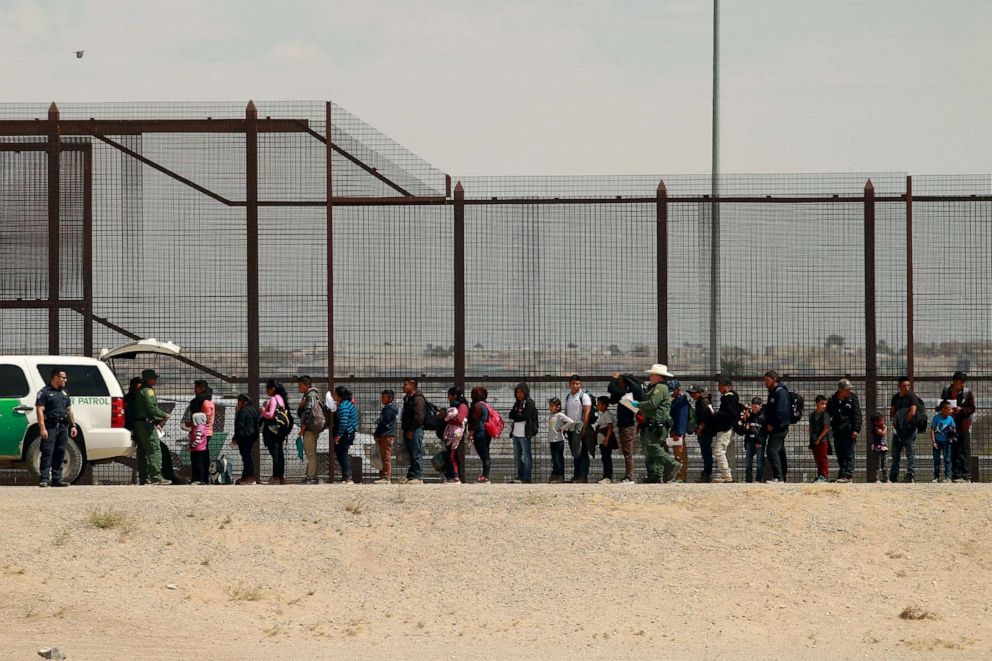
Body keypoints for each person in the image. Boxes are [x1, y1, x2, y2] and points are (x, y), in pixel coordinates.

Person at [634, 364, 682, 483]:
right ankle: (655, 474)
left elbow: (652, 404)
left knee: (651, 445)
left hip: (657, 423)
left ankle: (672, 464)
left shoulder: (660, 388)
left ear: (659, 376)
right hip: (654, 422)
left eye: (652, 374)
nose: (650, 377)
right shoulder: (657, 387)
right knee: (653, 448)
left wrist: (638, 405)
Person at [34, 368, 78, 487]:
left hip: (63, 426)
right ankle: (44, 479)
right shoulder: (45, 392)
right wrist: (42, 428)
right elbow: (39, 410)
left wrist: (73, 425)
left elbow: (69, 410)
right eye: (63, 377)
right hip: (50, 426)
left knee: (60, 451)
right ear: (55, 377)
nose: (66, 380)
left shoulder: (64, 393)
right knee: (47, 451)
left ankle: (57, 479)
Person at [132, 369, 171, 485]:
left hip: (139, 424)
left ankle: (144, 478)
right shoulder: (148, 391)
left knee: (142, 450)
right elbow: (152, 408)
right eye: (154, 378)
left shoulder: (140, 390)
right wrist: (165, 415)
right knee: (154, 449)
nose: (155, 380)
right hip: (146, 424)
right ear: (149, 379)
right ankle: (156, 477)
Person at [608, 372, 645, 484]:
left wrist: (614, 379)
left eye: (620, 382)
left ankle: (630, 476)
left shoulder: (628, 394)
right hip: (624, 426)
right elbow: (612, 398)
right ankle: (629, 475)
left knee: (628, 453)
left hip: (628, 426)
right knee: (626, 452)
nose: (618, 384)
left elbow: (611, 389)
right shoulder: (623, 394)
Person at [942, 371, 976, 483]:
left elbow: (972, 408)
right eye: (960, 382)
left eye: (963, 382)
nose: (962, 384)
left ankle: (966, 474)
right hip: (950, 425)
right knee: (953, 449)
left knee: (965, 449)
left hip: (963, 426)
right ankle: (955, 474)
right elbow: (941, 405)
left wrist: (962, 410)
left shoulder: (967, 393)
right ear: (955, 382)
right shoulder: (946, 391)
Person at [826, 378, 862, 483]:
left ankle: (848, 475)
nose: (849, 391)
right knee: (840, 453)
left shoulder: (853, 399)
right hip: (837, 431)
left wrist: (856, 429)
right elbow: (828, 414)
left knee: (849, 453)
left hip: (849, 430)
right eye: (847, 389)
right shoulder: (833, 400)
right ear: (841, 390)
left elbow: (857, 415)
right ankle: (842, 473)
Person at [889, 376, 923, 484]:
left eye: (908, 385)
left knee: (910, 453)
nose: (907, 387)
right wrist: (896, 423)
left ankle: (910, 474)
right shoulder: (895, 398)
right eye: (904, 385)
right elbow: (892, 411)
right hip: (898, 429)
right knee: (895, 453)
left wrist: (904, 424)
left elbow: (913, 412)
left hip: (909, 429)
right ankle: (893, 475)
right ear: (899, 386)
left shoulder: (912, 397)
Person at [711, 377, 742, 483]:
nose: (719, 387)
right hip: (730, 428)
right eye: (719, 385)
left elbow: (731, 413)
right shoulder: (732, 398)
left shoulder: (728, 398)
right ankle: (730, 474)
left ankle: (726, 474)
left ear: (728, 386)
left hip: (725, 428)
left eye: (722, 385)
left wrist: (716, 415)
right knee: (729, 453)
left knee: (719, 451)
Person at [763, 371, 791, 483]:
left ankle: (778, 477)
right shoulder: (773, 392)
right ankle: (782, 477)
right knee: (780, 452)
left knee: (771, 451)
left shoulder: (780, 393)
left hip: (779, 428)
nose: (765, 383)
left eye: (767, 380)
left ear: (774, 380)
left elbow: (781, 411)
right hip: (777, 427)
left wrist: (772, 424)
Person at [295, 376, 324, 484]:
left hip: (309, 429)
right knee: (311, 453)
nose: (299, 388)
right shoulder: (312, 395)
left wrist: (302, 428)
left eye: (300, 385)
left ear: (306, 385)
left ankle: (311, 477)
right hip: (312, 428)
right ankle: (311, 476)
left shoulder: (310, 396)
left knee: (310, 454)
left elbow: (307, 413)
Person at [564, 375, 593, 484]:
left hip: (580, 428)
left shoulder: (584, 396)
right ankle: (576, 476)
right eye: (573, 383)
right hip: (571, 428)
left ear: (580, 384)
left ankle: (583, 476)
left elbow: (587, 412)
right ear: (569, 385)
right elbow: (567, 412)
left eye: (577, 383)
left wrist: (584, 428)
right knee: (575, 452)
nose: (575, 386)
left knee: (583, 453)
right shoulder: (568, 396)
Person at [508, 382, 538, 483]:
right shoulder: (517, 403)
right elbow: (511, 414)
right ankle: (520, 476)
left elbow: (524, 416)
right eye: (517, 392)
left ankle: (526, 478)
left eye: (521, 392)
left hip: (525, 434)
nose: (519, 394)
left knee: (527, 456)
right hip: (516, 434)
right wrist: (518, 415)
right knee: (517, 457)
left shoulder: (530, 403)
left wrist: (517, 415)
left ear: (525, 392)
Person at [400, 378, 427, 485]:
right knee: (411, 453)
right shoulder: (408, 398)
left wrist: (411, 430)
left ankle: (418, 475)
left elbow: (419, 417)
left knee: (416, 452)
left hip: (415, 430)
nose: (403, 387)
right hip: (409, 430)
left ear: (412, 386)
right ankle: (411, 475)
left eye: (405, 385)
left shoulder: (418, 399)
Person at [441, 387, 469, 484]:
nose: (448, 397)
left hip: (456, 434)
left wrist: (447, 419)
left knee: (452, 455)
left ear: (454, 396)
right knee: (450, 454)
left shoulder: (462, 407)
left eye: (449, 395)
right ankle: (451, 476)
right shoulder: (454, 406)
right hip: (451, 434)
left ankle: (455, 477)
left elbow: (459, 420)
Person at [331, 386, 358, 484]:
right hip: (347, 433)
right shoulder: (346, 404)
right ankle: (345, 476)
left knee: (342, 454)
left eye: (335, 394)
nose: (333, 396)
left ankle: (347, 477)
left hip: (346, 433)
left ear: (339, 395)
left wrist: (339, 435)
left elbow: (343, 422)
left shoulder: (344, 406)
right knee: (341, 454)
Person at [688, 385, 715, 483]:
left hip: (705, 431)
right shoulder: (702, 401)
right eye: (691, 393)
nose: (692, 395)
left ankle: (707, 474)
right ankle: (706, 473)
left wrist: (699, 428)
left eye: (694, 393)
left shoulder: (703, 401)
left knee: (706, 453)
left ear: (699, 392)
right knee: (705, 453)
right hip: (705, 431)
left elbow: (706, 417)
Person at [232, 393, 260, 485]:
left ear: (244, 402)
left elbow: (239, 426)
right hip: (252, 436)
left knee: (246, 457)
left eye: (239, 402)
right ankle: (245, 477)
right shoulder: (253, 410)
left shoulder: (243, 411)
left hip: (243, 437)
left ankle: (250, 477)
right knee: (247, 457)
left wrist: (235, 438)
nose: (238, 404)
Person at [373, 389, 399, 484]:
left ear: (390, 398)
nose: (382, 399)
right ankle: (383, 475)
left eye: (384, 397)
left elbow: (384, 423)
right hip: (385, 434)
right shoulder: (388, 409)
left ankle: (386, 476)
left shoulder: (389, 410)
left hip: (386, 434)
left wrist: (377, 434)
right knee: (382, 456)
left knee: (385, 456)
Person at [738, 397, 766, 483]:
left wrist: (759, 441)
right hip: (750, 441)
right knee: (748, 461)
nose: (753, 408)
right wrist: (746, 410)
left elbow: (763, 432)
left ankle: (758, 479)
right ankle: (748, 479)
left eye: (755, 406)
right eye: (752, 406)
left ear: (760, 406)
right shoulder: (751, 415)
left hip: (759, 442)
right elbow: (746, 425)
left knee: (759, 462)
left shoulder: (763, 417)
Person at [547, 398, 575, 484]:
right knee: (554, 459)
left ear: (558, 407)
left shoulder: (559, 415)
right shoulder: (551, 415)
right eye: (550, 406)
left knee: (558, 459)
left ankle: (560, 476)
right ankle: (555, 475)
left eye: (552, 406)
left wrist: (562, 428)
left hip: (558, 440)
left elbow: (570, 421)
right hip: (552, 440)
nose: (550, 408)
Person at [668, 380, 691, 483]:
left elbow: (682, 418)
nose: (672, 393)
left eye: (673, 391)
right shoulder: (676, 401)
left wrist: (679, 433)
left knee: (680, 454)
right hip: (675, 430)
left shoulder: (682, 402)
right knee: (677, 454)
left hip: (678, 432)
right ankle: (679, 476)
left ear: (678, 390)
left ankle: (681, 476)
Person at [468, 387, 493, 483]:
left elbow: (474, 421)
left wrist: (471, 433)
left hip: (479, 432)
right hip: (486, 432)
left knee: (485, 456)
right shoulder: (485, 405)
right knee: (485, 455)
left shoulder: (477, 406)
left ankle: (485, 477)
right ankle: (485, 476)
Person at [930, 400, 956, 483]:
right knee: (936, 460)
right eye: (949, 409)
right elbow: (932, 430)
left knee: (947, 459)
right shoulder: (936, 418)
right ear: (943, 409)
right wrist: (934, 441)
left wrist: (952, 434)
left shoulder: (950, 419)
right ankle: (936, 477)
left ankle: (948, 477)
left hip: (947, 442)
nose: (951, 411)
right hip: (937, 441)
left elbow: (954, 429)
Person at [808, 395, 831, 483]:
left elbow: (826, 428)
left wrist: (819, 439)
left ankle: (824, 476)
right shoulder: (812, 415)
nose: (824, 406)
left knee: (823, 459)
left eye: (825, 404)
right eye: (822, 404)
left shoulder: (826, 415)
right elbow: (811, 428)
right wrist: (812, 440)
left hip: (822, 440)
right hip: (814, 440)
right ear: (817, 404)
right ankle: (820, 475)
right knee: (817, 459)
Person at [594, 396, 617, 484]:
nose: (597, 405)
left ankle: (608, 476)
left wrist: (607, 438)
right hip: (602, 440)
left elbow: (610, 426)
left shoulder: (607, 414)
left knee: (607, 458)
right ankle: (605, 475)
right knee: (604, 458)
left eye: (599, 403)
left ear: (604, 405)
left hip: (605, 440)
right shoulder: (602, 414)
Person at [188, 412, 210, 485]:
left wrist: (191, 446)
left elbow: (197, 440)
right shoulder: (198, 428)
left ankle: (200, 480)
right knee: (195, 464)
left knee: (199, 465)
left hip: (198, 450)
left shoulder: (199, 428)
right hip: (197, 449)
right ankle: (195, 479)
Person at [868, 413, 889, 483]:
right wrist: (886, 428)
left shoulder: (880, 428)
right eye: (881, 421)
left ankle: (886, 478)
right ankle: (876, 478)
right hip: (878, 448)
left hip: (883, 448)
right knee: (878, 463)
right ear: (876, 422)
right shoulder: (875, 429)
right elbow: (882, 433)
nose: (883, 422)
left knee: (884, 464)